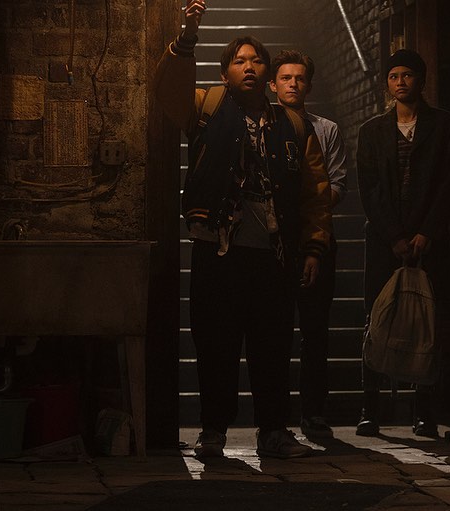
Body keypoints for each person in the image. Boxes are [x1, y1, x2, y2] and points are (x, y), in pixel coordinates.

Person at [154, 0, 332, 458]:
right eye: (239, 60)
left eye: (256, 60)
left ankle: (273, 430)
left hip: (273, 255)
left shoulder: (293, 125)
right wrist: (187, 36)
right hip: (218, 251)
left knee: (273, 346)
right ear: (225, 72)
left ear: (268, 74)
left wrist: (313, 247)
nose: (249, 66)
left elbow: (314, 193)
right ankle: (213, 430)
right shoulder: (207, 106)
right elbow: (168, 92)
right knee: (216, 344)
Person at [355, 49, 450, 437]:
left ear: (421, 81)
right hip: (385, 240)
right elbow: (370, 188)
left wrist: (428, 231)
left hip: (430, 239)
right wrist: (394, 236)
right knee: (377, 318)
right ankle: (370, 408)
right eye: (394, 76)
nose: (400, 82)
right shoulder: (372, 131)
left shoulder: (442, 125)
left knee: (429, 320)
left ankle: (424, 411)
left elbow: (448, 182)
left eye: (407, 75)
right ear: (387, 83)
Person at [269, 50, 348, 439]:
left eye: (299, 78)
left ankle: (314, 413)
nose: (293, 84)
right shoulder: (264, 125)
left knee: (316, 331)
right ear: (273, 84)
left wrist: (304, 206)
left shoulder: (326, 129)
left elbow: (336, 185)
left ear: (309, 85)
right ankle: (276, 417)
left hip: (317, 238)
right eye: (286, 78)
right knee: (275, 331)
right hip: (277, 242)